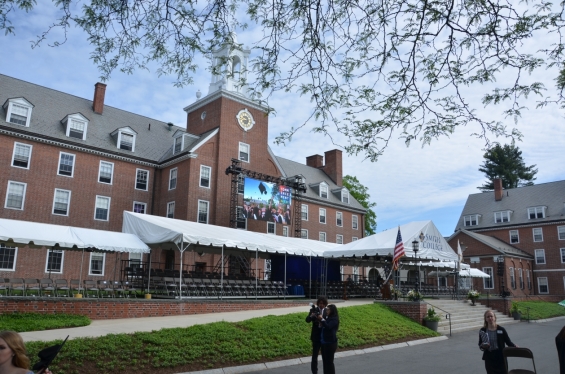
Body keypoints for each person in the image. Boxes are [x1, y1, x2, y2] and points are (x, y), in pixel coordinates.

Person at [306, 296, 328, 374]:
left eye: (323, 303)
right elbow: (307, 320)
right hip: (316, 336)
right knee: (314, 356)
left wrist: (322, 319)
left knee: (325, 356)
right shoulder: (314, 310)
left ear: (325, 304)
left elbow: (328, 323)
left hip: (324, 337)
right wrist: (312, 315)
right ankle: (314, 372)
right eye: (320, 303)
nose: (321, 305)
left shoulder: (327, 311)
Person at [318, 304, 339, 374]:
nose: (326, 311)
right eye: (326, 309)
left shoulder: (334, 319)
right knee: (325, 362)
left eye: (328, 310)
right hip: (324, 342)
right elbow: (325, 325)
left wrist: (322, 319)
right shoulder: (328, 318)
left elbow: (328, 326)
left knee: (329, 362)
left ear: (332, 311)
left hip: (330, 343)